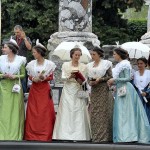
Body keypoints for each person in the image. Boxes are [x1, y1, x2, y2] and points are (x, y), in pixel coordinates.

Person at [107, 47, 150, 143]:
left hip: (126, 89)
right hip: (120, 89)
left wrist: (114, 80)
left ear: (119, 55)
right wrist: (113, 83)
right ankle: (123, 135)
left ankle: (129, 136)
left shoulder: (125, 64)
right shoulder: (119, 65)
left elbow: (127, 78)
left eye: (114, 54)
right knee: (122, 112)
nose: (113, 56)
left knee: (126, 112)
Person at [52, 47, 91, 141]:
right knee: (67, 110)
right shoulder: (65, 65)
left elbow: (85, 80)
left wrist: (80, 80)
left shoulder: (84, 66)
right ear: (72, 55)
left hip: (78, 88)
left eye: (79, 55)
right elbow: (62, 78)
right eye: (75, 55)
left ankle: (79, 135)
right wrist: (70, 77)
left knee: (78, 110)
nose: (77, 56)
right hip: (68, 89)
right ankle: (64, 134)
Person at [24, 42, 56, 141]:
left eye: (34, 52)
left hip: (44, 89)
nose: (33, 54)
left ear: (39, 53)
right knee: (34, 110)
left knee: (45, 110)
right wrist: (33, 78)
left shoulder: (49, 64)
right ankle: (31, 134)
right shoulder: (31, 64)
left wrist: (44, 78)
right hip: (34, 89)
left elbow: (51, 76)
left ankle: (45, 134)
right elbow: (29, 75)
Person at [0, 40, 26, 140]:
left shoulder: (21, 60)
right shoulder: (1, 59)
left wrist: (14, 76)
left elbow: (23, 75)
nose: (3, 49)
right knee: (3, 110)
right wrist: (3, 75)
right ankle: (2, 134)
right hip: (3, 87)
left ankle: (15, 134)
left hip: (15, 86)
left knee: (15, 110)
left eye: (5, 47)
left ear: (10, 49)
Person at [86, 47, 113, 142]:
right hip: (94, 90)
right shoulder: (89, 65)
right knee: (94, 112)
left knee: (103, 112)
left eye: (94, 54)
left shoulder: (107, 64)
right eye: (91, 54)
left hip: (103, 90)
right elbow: (88, 79)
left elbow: (110, 76)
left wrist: (100, 79)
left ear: (99, 55)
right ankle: (95, 135)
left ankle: (104, 137)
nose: (92, 56)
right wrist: (91, 82)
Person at [12, 25, 32, 93]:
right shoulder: (13, 38)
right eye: (15, 32)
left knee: (23, 79)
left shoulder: (27, 38)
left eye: (18, 32)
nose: (16, 34)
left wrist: (24, 38)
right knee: (14, 77)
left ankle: (23, 93)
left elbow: (29, 48)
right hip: (13, 61)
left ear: (22, 31)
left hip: (23, 62)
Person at [133, 57, 150, 123]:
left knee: (146, 112)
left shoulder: (149, 73)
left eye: (141, 63)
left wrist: (147, 92)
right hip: (138, 95)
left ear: (145, 64)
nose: (139, 65)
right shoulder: (135, 73)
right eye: (138, 64)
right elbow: (134, 85)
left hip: (146, 95)